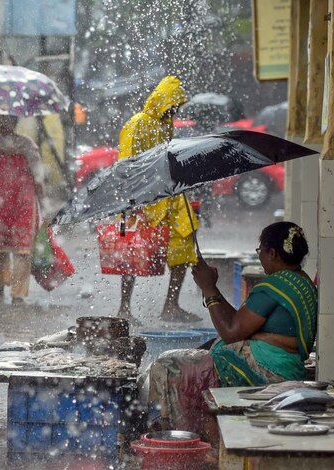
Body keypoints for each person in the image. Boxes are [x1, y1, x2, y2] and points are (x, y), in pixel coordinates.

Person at [146, 221, 317, 437]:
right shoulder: (300, 281)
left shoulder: (274, 286)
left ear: (272, 253)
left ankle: (183, 438)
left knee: (167, 365)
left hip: (268, 372)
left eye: (260, 251)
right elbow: (239, 321)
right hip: (285, 367)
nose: (260, 257)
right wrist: (212, 288)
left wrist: (208, 289)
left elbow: (230, 332)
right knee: (193, 356)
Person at [117, 75, 200, 323]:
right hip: (144, 198)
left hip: (171, 197)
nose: (174, 111)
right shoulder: (137, 124)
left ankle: (171, 306)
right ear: (160, 101)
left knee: (185, 242)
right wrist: (132, 202)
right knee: (133, 249)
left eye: (177, 107)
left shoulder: (167, 124)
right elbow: (127, 164)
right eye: (172, 106)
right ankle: (124, 308)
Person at [0, 115, 45, 305]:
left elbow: (38, 175)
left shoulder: (27, 145)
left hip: (23, 201)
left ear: (16, 121)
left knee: (23, 250)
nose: (3, 123)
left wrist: (43, 203)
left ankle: (18, 294)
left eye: (8, 120)